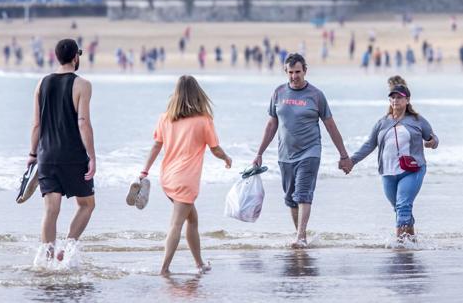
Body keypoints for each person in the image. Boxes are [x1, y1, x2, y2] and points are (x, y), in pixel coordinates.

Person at [252, 53, 352, 248]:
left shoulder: (316, 95)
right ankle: (301, 234)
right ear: (285, 72)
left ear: (305, 71)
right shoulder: (278, 93)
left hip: (310, 152)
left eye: (298, 72)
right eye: (290, 72)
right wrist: (259, 153)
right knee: (291, 199)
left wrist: (344, 155)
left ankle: (301, 236)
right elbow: (271, 125)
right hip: (285, 154)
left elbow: (331, 126)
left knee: (303, 193)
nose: (294, 76)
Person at [139, 75, 232, 275]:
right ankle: (164, 268)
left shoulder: (165, 118)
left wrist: (144, 171)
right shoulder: (204, 120)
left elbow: (156, 145)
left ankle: (199, 264)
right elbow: (215, 149)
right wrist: (226, 158)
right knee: (176, 224)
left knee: (192, 219)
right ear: (198, 94)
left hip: (168, 177)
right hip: (186, 180)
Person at [27, 38, 96, 265]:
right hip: (73, 156)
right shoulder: (82, 85)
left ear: (57, 57)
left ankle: (45, 259)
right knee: (87, 204)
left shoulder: (41, 84)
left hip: (46, 155)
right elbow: (83, 122)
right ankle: (67, 247)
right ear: (76, 57)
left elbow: (36, 124)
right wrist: (92, 156)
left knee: (50, 210)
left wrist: (32, 155)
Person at [347, 76, 439, 241]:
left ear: (407, 100)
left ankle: (400, 245)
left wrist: (432, 142)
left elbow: (433, 138)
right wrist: (351, 161)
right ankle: (411, 241)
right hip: (388, 171)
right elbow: (369, 144)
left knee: (403, 205)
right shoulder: (382, 123)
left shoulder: (417, 120)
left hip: (412, 169)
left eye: (399, 97)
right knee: (399, 208)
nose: (395, 100)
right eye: (393, 97)